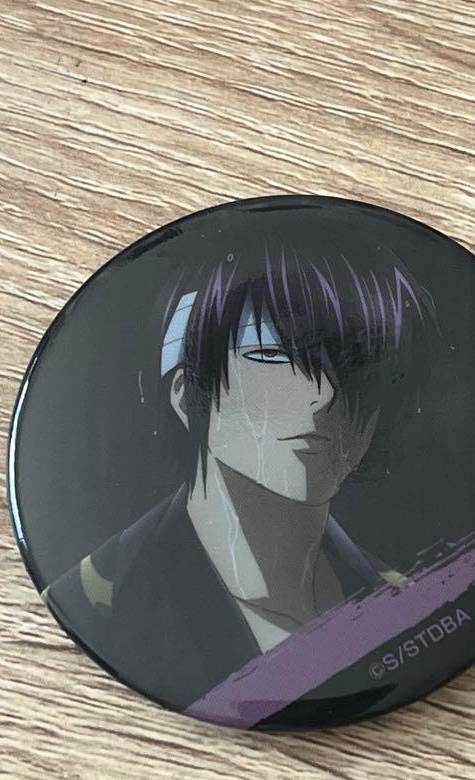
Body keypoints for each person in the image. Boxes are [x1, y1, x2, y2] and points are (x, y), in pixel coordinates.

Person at [42, 226, 437, 711]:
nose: (324, 396)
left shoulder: (406, 607)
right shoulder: (99, 605)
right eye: (271, 356)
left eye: (359, 365)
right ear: (188, 393)